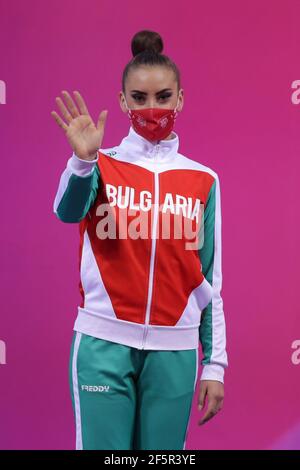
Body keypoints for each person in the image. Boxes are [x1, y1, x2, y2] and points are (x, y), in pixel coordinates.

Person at [51, 29, 228, 451]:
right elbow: (66, 211)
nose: (152, 109)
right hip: (102, 346)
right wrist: (82, 160)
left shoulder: (203, 179)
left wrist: (215, 365)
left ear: (180, 100)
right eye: (140, 98)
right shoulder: (99, 163)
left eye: (164, 97)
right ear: (122, 101)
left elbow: (209, 280)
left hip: (175, 353)